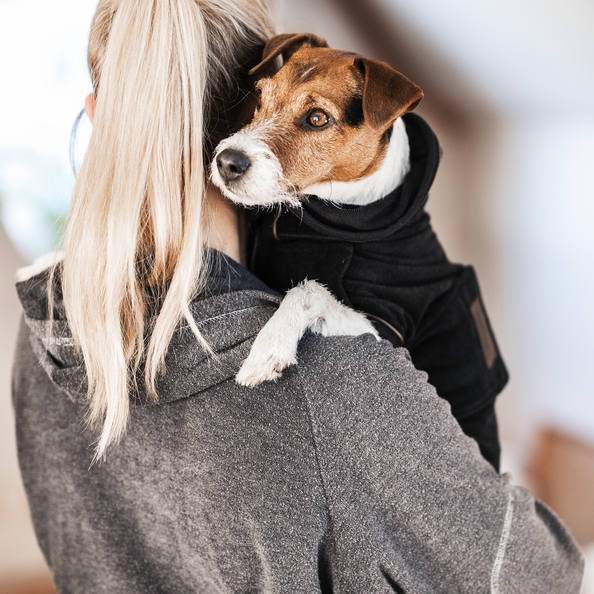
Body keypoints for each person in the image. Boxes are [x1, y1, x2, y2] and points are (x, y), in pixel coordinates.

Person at [12, 0, 584, 592]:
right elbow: (546, 577)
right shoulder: (332, 377)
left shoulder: (43, 334)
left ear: (100, 118)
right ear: (245, 115)